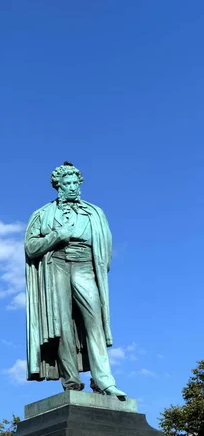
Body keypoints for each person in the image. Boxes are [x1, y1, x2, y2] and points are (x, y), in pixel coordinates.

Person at [25, 161, 126, 399]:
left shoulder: (94, 212)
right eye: (66, 183)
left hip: (84, 266)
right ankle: (71, 382)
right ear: (58, 186)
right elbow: (30, 248)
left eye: (74, 183)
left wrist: (95, 268)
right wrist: (55, 236)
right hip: (56, 265)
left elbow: (106, 249)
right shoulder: (42, 214)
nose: (72, 187)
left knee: (95, 322)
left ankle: (105, 381)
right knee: (61, 326)